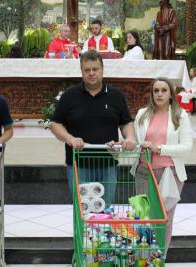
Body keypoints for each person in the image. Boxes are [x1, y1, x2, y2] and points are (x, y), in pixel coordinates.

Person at [50, 50, 136, 205]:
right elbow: (55, 123)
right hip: (78, 164)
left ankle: (104, 230)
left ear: (102, 70)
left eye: (95, 69)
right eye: (87, 70)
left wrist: (129, 137)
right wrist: (70, 139)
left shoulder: (116, 96)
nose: (91, 73)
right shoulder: (69, 96)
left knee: (106, 210)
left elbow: (126, 122)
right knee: (82, 211)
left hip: (108, 163)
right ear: (81, 71)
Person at [132, 77, 193, 257]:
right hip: (143, 172)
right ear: (151, 94)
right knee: (142, 217)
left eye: (163, 90)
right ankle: (143, 257)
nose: (159, 94)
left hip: (170, 174)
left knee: (164, 219)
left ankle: (160, 258)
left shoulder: (180, 115)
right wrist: (124, 144)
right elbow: (136, 142)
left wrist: (158, 148)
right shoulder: (142, 114)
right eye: (156, 90)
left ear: (171, 94)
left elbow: (187, 148)